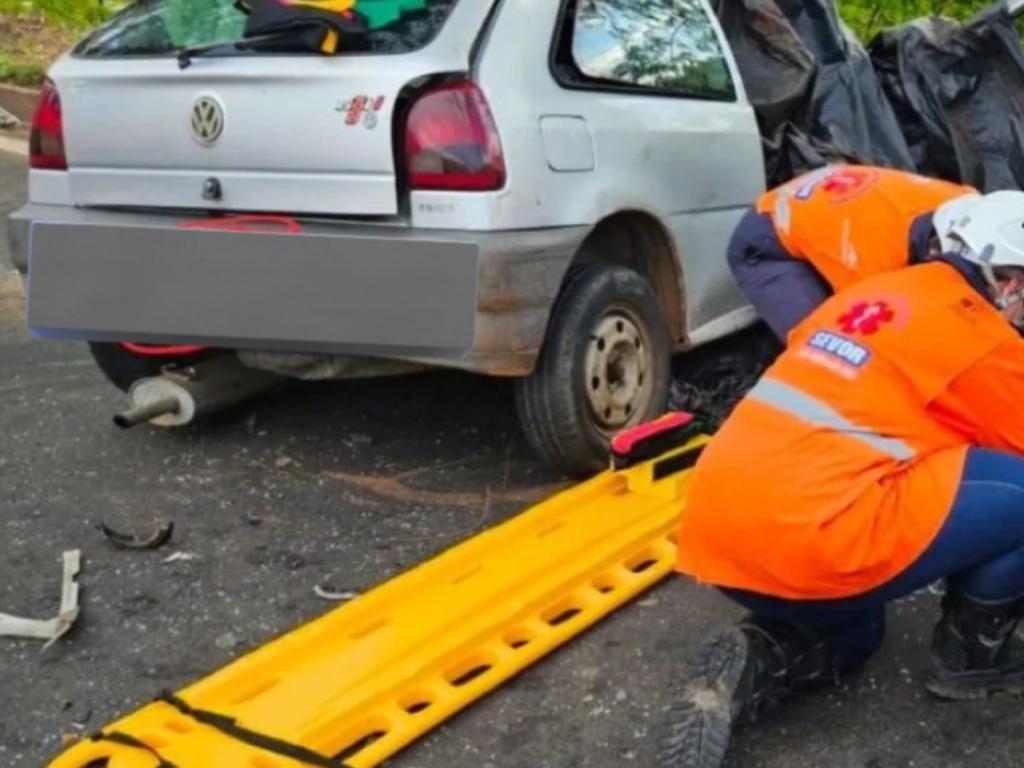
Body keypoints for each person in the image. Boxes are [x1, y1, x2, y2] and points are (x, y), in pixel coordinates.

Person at [664, 190, 1024, 768]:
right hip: (816, 537)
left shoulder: (873, 291)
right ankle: (971, 658)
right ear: (1008, 282)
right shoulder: (980, 335)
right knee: (1018, 492)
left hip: (715, 530)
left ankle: (765, 653)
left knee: (858, 635)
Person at [729, 164, 977, 340]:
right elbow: (878, 331)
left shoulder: (966, 200)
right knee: (829, 344)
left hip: (828, 202)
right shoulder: (877, 261)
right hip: (766, 242)